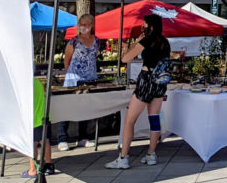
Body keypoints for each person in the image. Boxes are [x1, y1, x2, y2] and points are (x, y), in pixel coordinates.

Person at [105, 14, 170, 169]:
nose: (143, 27)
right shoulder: (164, 42)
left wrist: (133, 44)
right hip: (159, 83)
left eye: (144, 24)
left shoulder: (146, 40)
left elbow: (126, 59)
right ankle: (151, 154)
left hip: (146, 81)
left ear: (151, 26)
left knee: (130, 120)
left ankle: (123, 157)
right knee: (154, 118)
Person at [55, 13, 98, 151]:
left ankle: (83, 137)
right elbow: (66, 61)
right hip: (74, 79)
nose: (84, 27)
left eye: (86, 24)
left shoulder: (97, 41)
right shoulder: (73, 42)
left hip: (89, 79)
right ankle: (62, 138)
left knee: (85, 108)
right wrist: (70, 75)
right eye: (82, 24)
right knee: (68, 107)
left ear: (91, 26)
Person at [24, 77, 54, 178]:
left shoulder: (24, 84)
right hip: (44, 116)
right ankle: (49, 165)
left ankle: (33, 169)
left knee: (32, 144)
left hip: (33, 119)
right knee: (45, 141)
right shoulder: (37, 81)